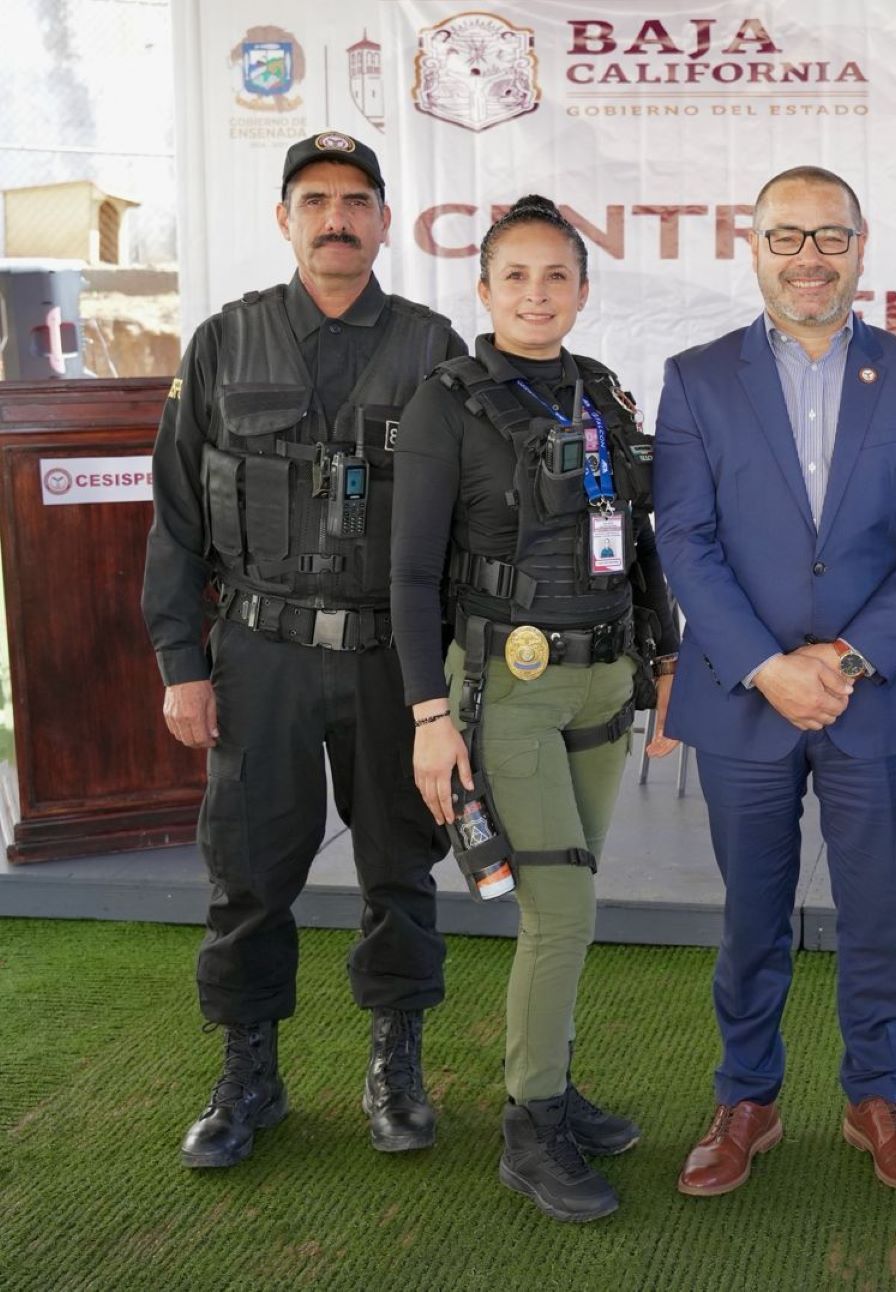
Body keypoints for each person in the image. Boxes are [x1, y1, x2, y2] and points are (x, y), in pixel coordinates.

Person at [144, 131, 464, 1170]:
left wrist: (450, 686)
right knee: (248, 872)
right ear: (284, 217)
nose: (337, 217)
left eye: (357, 200)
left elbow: (470, 517)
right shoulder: (223, 343)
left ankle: (394, 1066)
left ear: (382, 220)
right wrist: (179, 662)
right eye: (316, 199)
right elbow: (176, 517)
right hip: (260, 654)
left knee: (399, 868)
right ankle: (250, 1075)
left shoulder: (432, 346)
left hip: (388, 656)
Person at [653, 165, 896, 1197]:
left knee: (874, 911)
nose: (808, 258)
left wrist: (839, 659)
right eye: (786, 237)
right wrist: (765, 663)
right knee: (753, 911)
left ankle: (877, 1095)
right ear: (752, 247)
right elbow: (687, 539)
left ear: (863, 245)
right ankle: (747, 1094)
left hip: (871, 693)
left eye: (828, 237)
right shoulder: (697, 377)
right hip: (745, 697)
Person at [390, 196, 680, 1223]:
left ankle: (548, 1077)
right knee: (559, 908)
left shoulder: (599, 393)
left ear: (584, 290)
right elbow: (412, 573)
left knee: (571, 896)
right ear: (482, 290)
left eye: (557, 275)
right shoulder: (446, 405)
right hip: (504, 687)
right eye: (515, 276)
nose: (537, 294)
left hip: (604, 678)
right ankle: (531, 1122)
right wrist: (430, 713)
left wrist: (664, 656)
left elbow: (635, 535)